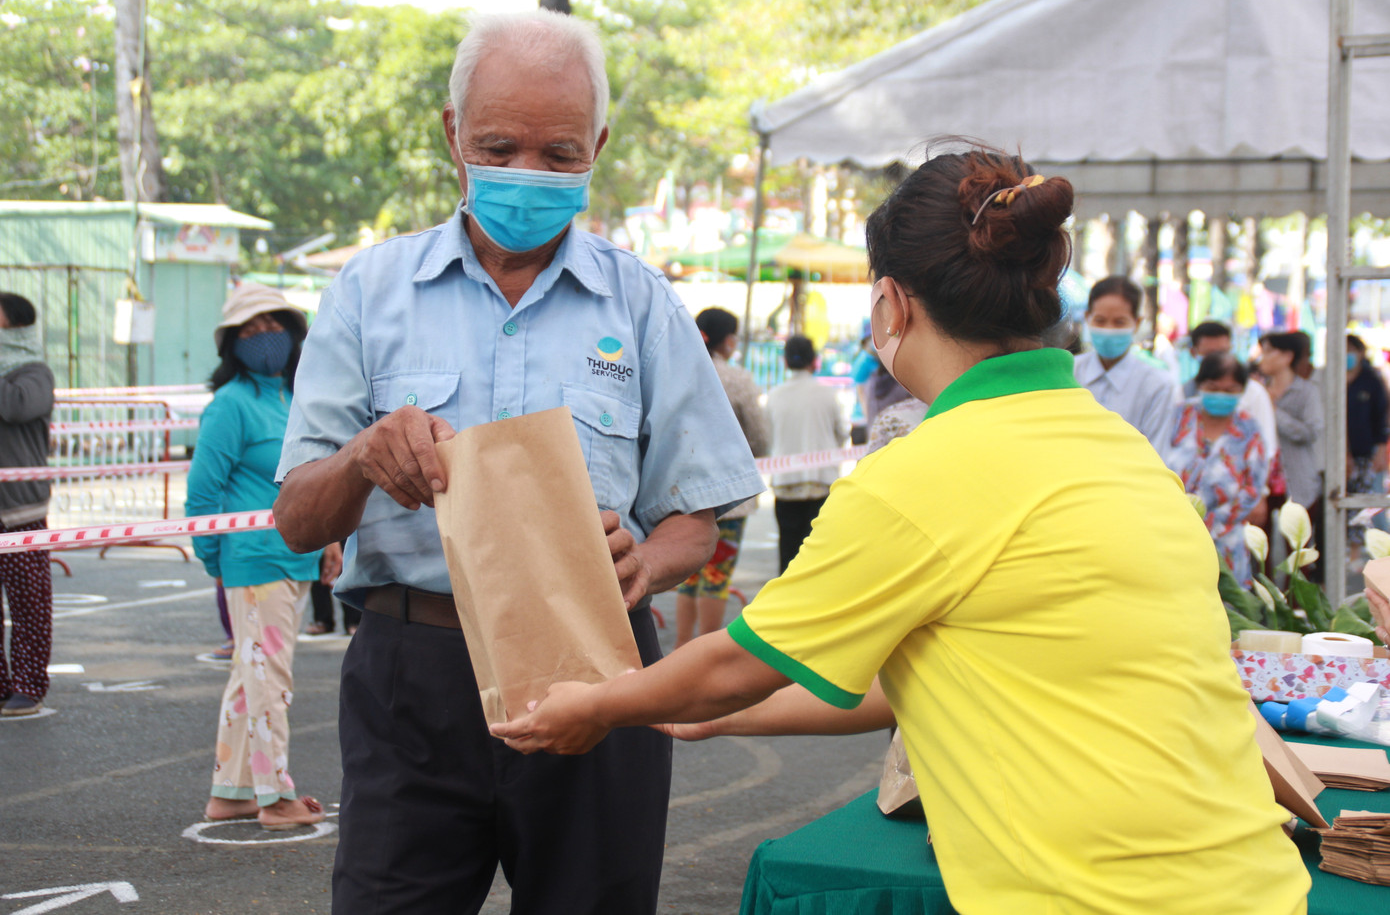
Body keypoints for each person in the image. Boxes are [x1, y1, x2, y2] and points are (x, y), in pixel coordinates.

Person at [492, 144, 1309, 915]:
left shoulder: (924, 472)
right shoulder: (1116, 445)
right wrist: (699, 713)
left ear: (890, 302)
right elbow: (914, 679)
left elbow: (737, 662)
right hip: (1254, 881)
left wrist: (601, 703)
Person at [272, 11, 763, 915]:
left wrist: (647, 562)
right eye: (499, 146)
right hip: (411, 675)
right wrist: (362, 460)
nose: (527, 175)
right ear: (452, 133)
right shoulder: (368, 292)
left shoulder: (643, 303)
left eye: (559, 153)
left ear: (599, 146)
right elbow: (298, 517)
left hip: (600, 668)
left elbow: (702, 512)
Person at [187, 282, 331, 830]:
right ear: (230, 345)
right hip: (253, 562)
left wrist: (328, 542)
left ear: (294, 334)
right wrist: (216, 562)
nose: (263, 337)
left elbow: (311, 481)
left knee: (251, 679)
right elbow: (203, 494)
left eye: (272, 325)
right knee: (270, 680)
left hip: (291, 559)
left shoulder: (294, 398)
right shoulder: (229, 406)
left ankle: (232, 792)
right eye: (249, 329)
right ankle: (275, 797)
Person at [673, 308, 769, 647]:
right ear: (727, 339)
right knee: (716, 576)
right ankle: (703, 654)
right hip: (729, 497)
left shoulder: (676, 372)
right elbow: (759, 437)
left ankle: (679, 650)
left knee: (687, 576)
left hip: (680, 495)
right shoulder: (738, 379)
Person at [1162, 353, 1268, 586]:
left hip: (1226, 541)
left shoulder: (1249, 428)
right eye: (1213, 387)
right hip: (1173, 535)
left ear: (1241, 390)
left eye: (1230, 390)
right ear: (1200, 385)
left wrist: (1211, 524)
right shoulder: (1178, 416)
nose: (1221, 395)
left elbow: (1253, 488)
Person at [0, 293, 54, 718]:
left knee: (29, 602)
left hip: (19, 510)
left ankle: (29, 684)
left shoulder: (34, 372)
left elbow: (16, 407)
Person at [766, 334, 848, 574]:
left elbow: (767, 435)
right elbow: (842, 433)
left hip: (785, 484)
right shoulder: (827, 394)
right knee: (816, 558)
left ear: (786, 361)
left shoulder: (774, 395)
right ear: (814, 360)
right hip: (821, 483)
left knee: (788, 554)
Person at [1073, 275, 1182, 448]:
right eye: (1100, 321)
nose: (1108, 330)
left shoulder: (1157, 385)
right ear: (1087, 317)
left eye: (1119, 322)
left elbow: (1156, 452)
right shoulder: (1069, 372)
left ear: (1137, 323)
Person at [1185, 319, 1278, 465]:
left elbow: (1267, 450)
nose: (1217, 360)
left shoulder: (1254, 393)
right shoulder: (1183, 395)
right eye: (1212, 388)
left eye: (1222, 352)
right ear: (1194, 352)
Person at [1258, 331, 1324, 513]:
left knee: (1299, 538)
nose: (1262, 357)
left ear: (1288, 356)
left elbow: (1311, 432)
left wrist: (1274, 412)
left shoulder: (1307, 391)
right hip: (1262, 482)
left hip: (1299, 482)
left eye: (1269, 351)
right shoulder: (1258, 391)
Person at [1345, 333, 1388, 556]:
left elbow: (1380, 417)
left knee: (1370, 502)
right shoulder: (1333, 379)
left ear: (1361, 353)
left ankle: (1370, 551)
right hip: (1341, 454)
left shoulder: (1371, 380)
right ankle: (1351, 550)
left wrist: (1381, 449)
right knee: (1344, 502)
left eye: (1351, 349)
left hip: (1367, 452)